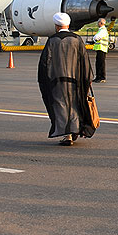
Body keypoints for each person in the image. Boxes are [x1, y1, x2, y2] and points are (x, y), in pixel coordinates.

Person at [38, 12, 96, 145]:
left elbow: (45, 62)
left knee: (60, 106)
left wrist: (45, 80)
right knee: (75, 104)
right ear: (68, 24)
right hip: (75, 81)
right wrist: (88, 78)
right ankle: (74, 129)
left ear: (56, 26)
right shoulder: (77, 39)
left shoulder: (52, 40)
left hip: (57, 81)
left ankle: (67, 135)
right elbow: (84, 61)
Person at [91, 18, 109, 82]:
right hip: (101, 48)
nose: (97, 24)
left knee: (100, 64)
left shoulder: (102, 30)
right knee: (99, 63)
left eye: (98, 22)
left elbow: (96, 37)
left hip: (101, 48)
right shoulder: (102, 30)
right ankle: (99, 77)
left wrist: (94, 39)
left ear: (100, 23)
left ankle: (101, 77)